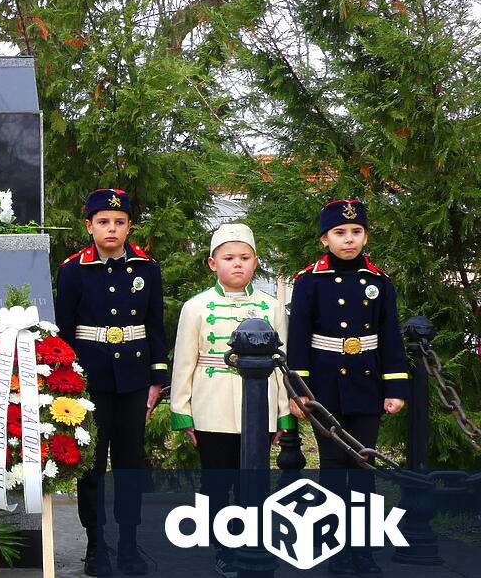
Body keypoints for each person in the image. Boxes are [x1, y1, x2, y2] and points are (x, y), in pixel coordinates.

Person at [287, 199, 408, 575]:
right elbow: (299, 338)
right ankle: (335, 550)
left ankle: (363, 551)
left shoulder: (378, 282)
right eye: (340, 232)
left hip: (367, 386)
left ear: (366, 235)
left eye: (356, 232)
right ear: (325, 238)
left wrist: (396, 387)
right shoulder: (309, 281)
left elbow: (390, 336)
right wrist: (299, 390)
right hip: (324, 388)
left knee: (364, 464)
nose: (349, 239)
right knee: (333, 468)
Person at [169, 223, 296, 577]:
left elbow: (284, 367)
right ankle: (222, 546)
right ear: (213, 264)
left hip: (260, 407)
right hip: (212, 406)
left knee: (252, 481)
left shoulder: (272, 307)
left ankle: (250, 541)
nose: (237, 264)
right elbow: (184, 361)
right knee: (216, 482)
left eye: (244, 257)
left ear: (256, 262)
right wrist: (182, 410)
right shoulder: (195, 307)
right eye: (228, 258)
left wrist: (284, 414)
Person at [55, 188, 166, 577]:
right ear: (89, 226)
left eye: (119, 222)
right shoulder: (73, 270)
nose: (111, 229)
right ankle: (95, 545)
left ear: (129, 226)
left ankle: (130, 545)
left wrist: (157, 380)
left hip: (134, 379)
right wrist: (66, 381)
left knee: (130, 464)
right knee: (92, 466)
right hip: (90, 381)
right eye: (103, 222)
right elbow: (64, 331)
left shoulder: (147, 269)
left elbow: (155, 325)